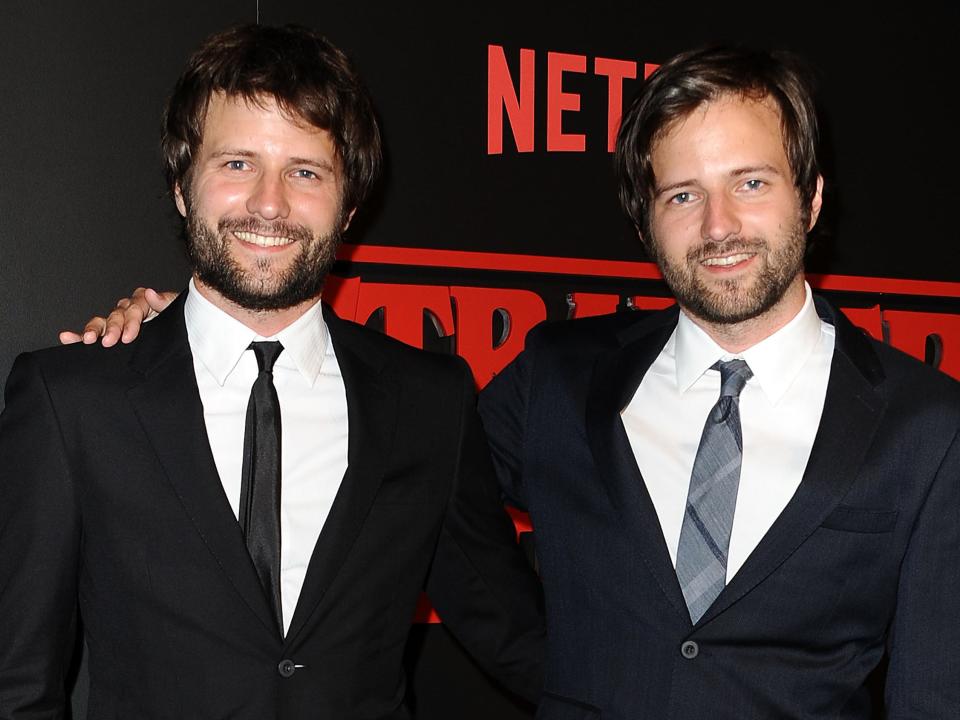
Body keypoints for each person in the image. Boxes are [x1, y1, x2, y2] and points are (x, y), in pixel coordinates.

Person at [65, 46, 960, 718]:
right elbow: (369, 465)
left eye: (751, 183)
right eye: (681, 193)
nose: (718, 224)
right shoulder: (556, 380)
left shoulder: (927, 427)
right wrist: (172, 340)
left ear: (809, 198)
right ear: (646, 221)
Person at [0, 24, 543, 719]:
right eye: (236, 163)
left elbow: (515, 635)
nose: (269, 203)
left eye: (305, 171)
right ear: (180, 187)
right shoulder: (72, 399)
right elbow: (16, 683)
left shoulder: (429, 402)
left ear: (349, 206)